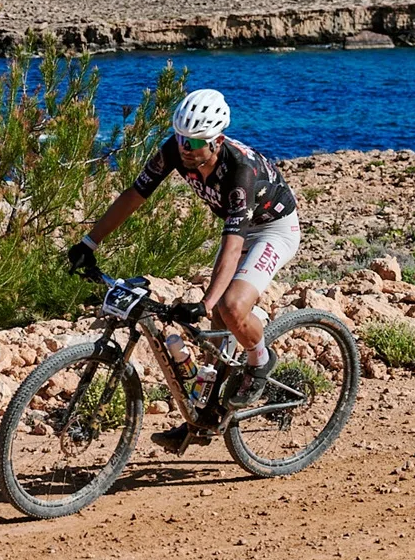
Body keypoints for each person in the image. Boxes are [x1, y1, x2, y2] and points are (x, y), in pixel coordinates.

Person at [66, 88, 301, 453]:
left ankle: (261, 359)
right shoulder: (175, 150)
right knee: (215, 341)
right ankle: (203, 417)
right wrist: (89, 242)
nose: (186, 148)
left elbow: (234, 243)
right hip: (238, 231)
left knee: (230, 308)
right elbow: (134, 195)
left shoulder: (239, 171)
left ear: (217, 140)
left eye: (194, 141)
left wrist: (207, 301)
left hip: (272, 229)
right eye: (180, 138)